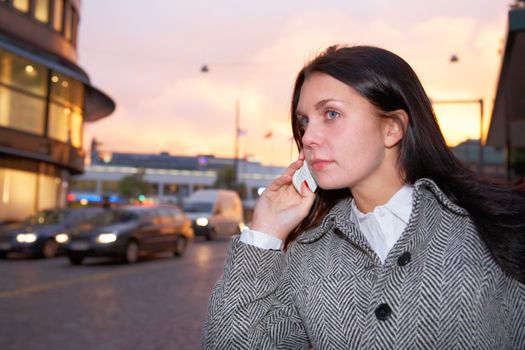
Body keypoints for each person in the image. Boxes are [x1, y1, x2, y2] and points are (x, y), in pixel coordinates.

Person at [200, 45, 525, 349]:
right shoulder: (307, 256)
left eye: (330, 114)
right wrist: (265, 232)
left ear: (392, 128)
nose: (308, 137)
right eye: (304, 122)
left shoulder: (494, 228)